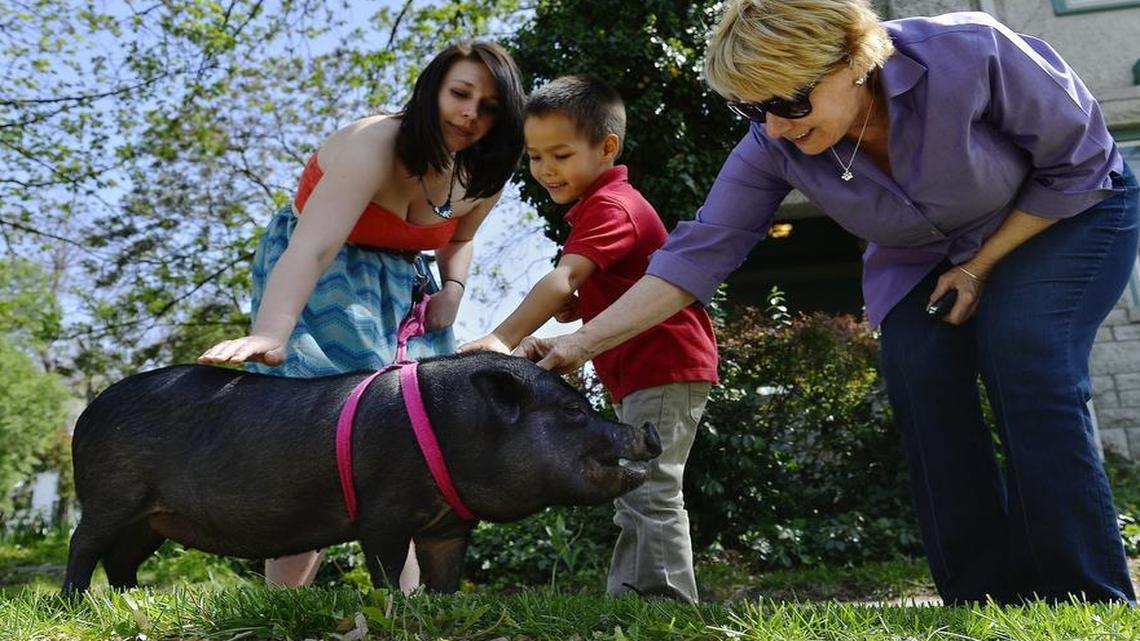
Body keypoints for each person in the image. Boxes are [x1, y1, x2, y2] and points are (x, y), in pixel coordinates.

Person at [513, 1, 1138, 606]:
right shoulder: (772, 142)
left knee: (1024, 349)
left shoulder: (970, 51)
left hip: (1065, 213)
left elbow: (1079, 163)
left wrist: (980, 265)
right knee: (918, 372)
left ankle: (1085, 591)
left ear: (851, 58)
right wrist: (577, 343)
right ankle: (986, 597)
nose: (777, 126)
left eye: (789, 101)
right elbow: (695, 257)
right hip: (926, 255)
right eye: (755, 108)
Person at [198, 40, 525, 589]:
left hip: (401, 286)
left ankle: (407, 606)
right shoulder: (375, 143)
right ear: (433, 91)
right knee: (317, 434)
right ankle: (285, 601)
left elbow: (459, 237)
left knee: (413, 434)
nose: (470, 114)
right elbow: (314, 247)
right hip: (320, 277)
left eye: (488, 106)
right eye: (460, 94)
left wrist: (454, 287)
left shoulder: (482, 172)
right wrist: (272, 332)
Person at [458, 75, 718, 603]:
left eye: (560, 153)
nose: (546, 169)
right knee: (631, 489)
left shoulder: (611, 205)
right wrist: (564, 326)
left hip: (664, 366)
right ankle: (628, 603)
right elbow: (591, 293)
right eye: (535, 157)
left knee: (653, 487)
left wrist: (503, 337)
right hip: (637, 373)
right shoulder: (598, 208)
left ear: (606, 148)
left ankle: (669, 610)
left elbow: (565, 279)